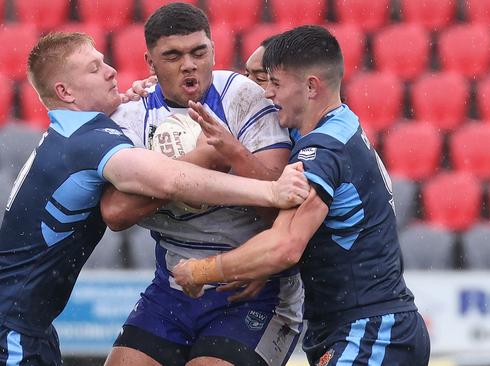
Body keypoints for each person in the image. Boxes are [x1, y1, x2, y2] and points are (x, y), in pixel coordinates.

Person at [0, 32, 310, 366]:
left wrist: (133, 98)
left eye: (105, 61)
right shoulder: (90, 142)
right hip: (0, 323)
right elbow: (171, 181)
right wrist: (270, 190)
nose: (111, 71)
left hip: (22, 321)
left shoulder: (77, 133)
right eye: (94, 68)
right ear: (66, 91)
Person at [172, 25, 431, 366]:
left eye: (274, 83)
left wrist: (200, 272)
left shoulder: (321, 151)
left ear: (311, 87)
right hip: (360, 325)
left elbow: (284, 246)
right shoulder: (340, 125)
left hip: (369, 329)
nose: (267, 95)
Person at [102, 3, 305, 366]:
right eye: (173, 55)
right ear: (150, 62)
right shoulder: (132, 115)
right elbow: (116, 213)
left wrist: (233, 153)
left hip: (251, 287)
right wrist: (201, 163)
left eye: (199, 52)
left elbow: (277, 210)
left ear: (213, 49)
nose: (189, 64)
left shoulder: (243, 96)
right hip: (172, 287)